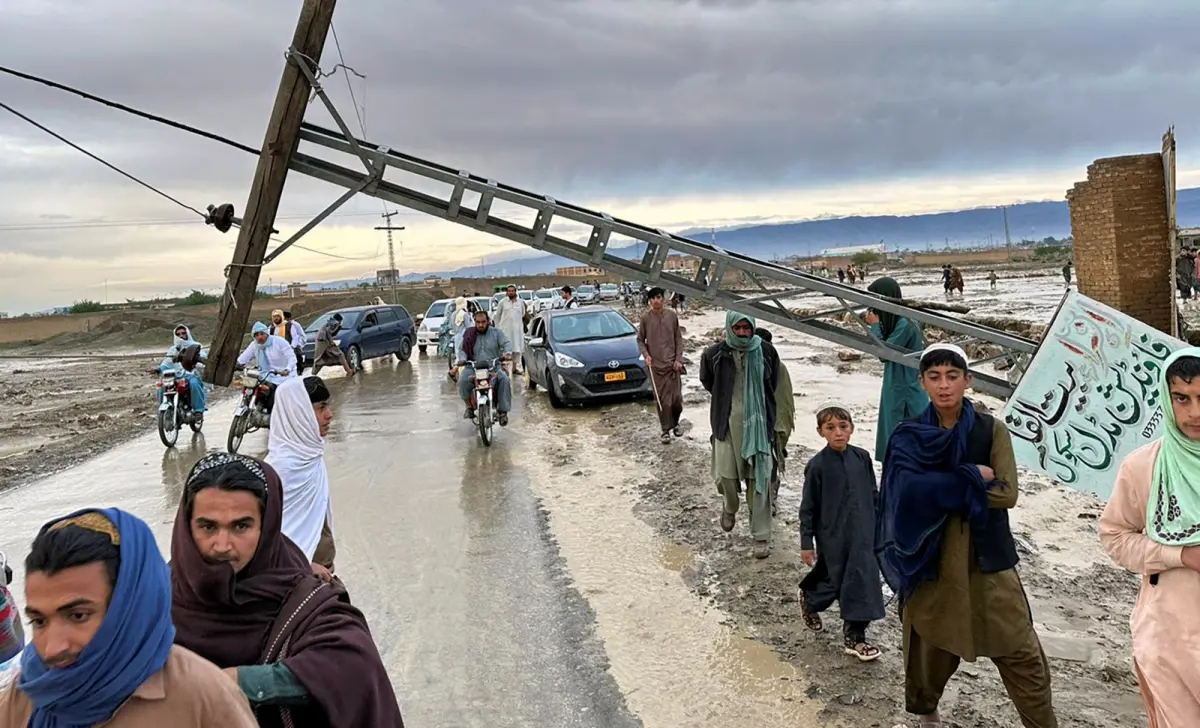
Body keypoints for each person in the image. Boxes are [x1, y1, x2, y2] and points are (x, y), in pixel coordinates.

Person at [878, 344, 1056, 728]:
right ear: (922, 382)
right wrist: (971, 478)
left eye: (953, 376)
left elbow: (1007, 493)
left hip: (987, 557)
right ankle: (928, 716)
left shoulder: (990, 430)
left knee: (1021, 650)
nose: (944, 386)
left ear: (967, 380)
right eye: (935, 377)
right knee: (926, 649)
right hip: (931, 559)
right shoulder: (909, 436)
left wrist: (935, 491)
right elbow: (902, 492)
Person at [170, 453, 405, 726]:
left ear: (266, 527)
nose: (222, 545)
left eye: (241, 526)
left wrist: (236, 681)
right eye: (208, 526)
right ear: (187, 526)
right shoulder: (155, 592)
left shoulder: (301, 594)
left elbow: (354, 665)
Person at [0, 509, 257, 726]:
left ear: (131, 609)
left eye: (78, 616)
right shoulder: (28, 693)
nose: (52, 648)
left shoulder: (204, 698)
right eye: (40, 621)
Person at [1100, 348, 1200, 726]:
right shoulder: (1144, 467)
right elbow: (1115, 537)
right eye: (1182, 399)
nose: (1194, 413)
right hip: (1170, 634)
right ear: (1166, 398)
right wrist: (1180, 555)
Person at [798, 404, 885, 662]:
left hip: (864, 533)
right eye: (831, 428)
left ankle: (855, 638)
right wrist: (807, 543)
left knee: (862, 581)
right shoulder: (817, 467)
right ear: (820, 432)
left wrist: (882, 526)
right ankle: (809, 598)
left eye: (843, 427)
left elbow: (873, 494)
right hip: (833, 536)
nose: (838, 433)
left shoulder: (862, 457)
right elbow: (808, 508)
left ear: (852, 429)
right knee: (835, 580)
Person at [700, 311, 781, 559]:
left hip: (758, 428)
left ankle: (760, 536)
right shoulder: (714, 354)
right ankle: (730, 506)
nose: (744, 333)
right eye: (739, 328)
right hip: (726, 426)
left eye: (748, 328)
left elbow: (773, 383)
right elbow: (708, 382)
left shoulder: (766, 351)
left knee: (759, 483)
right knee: (725, 477)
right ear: (729, 328)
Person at [268, 377, 338, 583]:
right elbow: (261, 537)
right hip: (293, 578)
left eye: (328, 406)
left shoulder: (310, 456)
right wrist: (303, 565)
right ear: (299, 413)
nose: (330, 414)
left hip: (320, 572)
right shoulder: (279, 469)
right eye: (321, 408)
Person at [864, 277, 929, 462]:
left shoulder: (906, 323)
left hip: (905, 388)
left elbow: (885, 353)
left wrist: (875, 326)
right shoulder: (899, 321)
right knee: (896, 438)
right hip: (897, 385)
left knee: (909, 439)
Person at [638, 287, 686, 444]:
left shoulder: (672, 316)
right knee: (662, 401)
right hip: (656, 367)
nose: (656, 301)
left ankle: (676, 423)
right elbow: (640, 340)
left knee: (676, 399)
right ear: (649, 301)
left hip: (673, 366)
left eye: (658, 297)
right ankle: (665, 430)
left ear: (663, 299)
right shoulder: (645, 318)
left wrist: (679, 359)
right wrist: (646, 356)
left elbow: (678, 339)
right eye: (653, 298)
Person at [754, 328, 794, 513]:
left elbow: (784, 403)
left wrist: (777, 429)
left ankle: (770, 496)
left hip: (773, 424)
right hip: (753, 422)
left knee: (771, 457)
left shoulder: (779, 368)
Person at [455, 309, 513, 425]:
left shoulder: (496, 332)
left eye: (483, 322)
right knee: (462, 380)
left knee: (504, 380)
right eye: (478, 322)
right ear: (474, 322)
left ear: (488, 322)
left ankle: (503, 412)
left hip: (493, 366)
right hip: (473, 366)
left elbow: (506, 343)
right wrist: (462, 360)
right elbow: (462, 350)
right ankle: (469, 407)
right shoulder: (469, 334)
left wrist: (507, 353)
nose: (481, 325)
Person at [236, 322, 296, 413]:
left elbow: (292, 358)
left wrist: (287, 369)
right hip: (264, 375)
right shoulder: (254, 345)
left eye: (262, 334)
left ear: (267, 333)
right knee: (253, 387)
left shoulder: (279, 342)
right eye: (256, 335)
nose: (259, 337)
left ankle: (274, 413)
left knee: (276, 393)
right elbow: (243, 358)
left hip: (283, 376)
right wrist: (236, 365)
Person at [159, 324, 208, 417]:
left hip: (191, 373)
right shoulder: (172, 349)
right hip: (175, 376)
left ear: (187, 334)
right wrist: (159, 369)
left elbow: (203, 359)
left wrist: (198, 361)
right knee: (162, 386)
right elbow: (167, 362)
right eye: (178, 334)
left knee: (194, 384)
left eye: (183, 333)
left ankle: (198, 410)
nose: (181, 336)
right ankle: (165, 410)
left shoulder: (196, 346)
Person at [494, 285, 528, 376]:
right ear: (507, 292)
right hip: (505, 330)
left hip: (517, 330)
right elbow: (497, 316)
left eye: (512, 291)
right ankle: (504, 368)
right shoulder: (502, 302)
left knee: (517, 349)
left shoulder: (520, 302)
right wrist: (498, 328)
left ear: (515, 292)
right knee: (506, 348)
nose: (511, 292)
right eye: (509, 291)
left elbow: (523, 314)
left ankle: (515, 368)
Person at [271, 310, 307, 376]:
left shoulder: (293, 325)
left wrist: (294, 346)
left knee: (297, 358)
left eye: (278, 316)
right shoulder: (272, 327)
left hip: (292, 347)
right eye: (274, 317)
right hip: (278, 350)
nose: (276, 318)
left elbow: (299, 337)